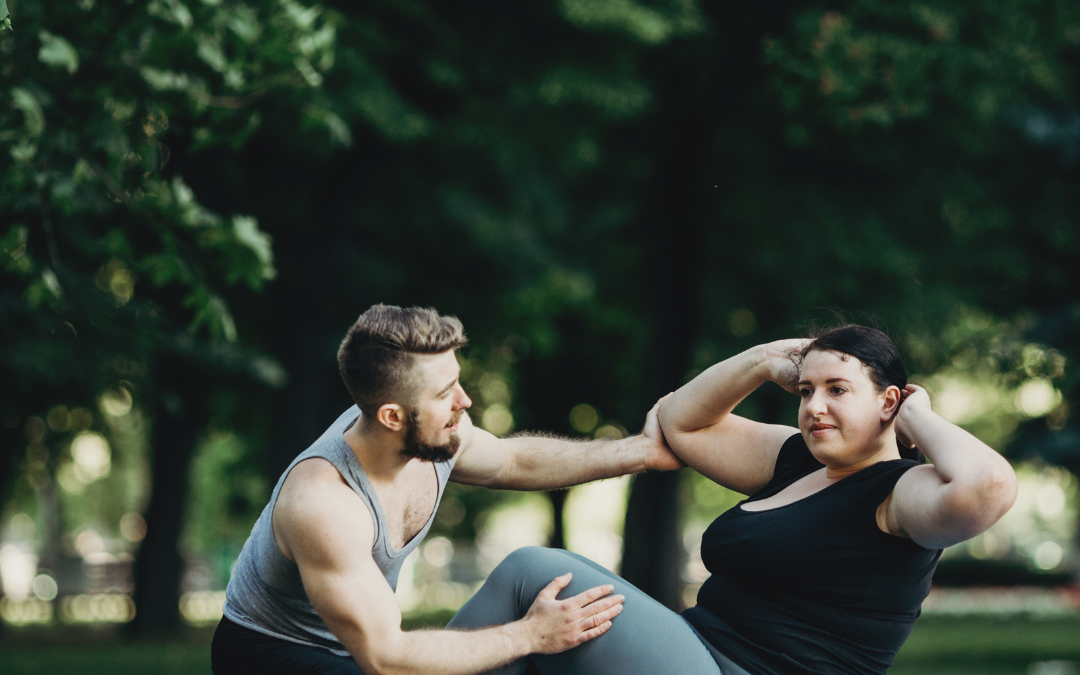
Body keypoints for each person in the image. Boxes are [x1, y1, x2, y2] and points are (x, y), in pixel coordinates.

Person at [446, 324, 1017, 675]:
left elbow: (987, 487)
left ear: (888, 401)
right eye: (806, 391)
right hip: (699, 648)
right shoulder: (797, 458)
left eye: (838, 390)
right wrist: (762, 360)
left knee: (533, 572)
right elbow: (680, 423)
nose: (815, 406)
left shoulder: (899, 491)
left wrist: (918, 414)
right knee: (538, 655)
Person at [211, 304, 683, 675]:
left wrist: (638, 452)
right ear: (392, 416)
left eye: (457, 381)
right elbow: (388, 659)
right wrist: (530, 635)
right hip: (274, 655)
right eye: (444, 394)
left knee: (533, 620)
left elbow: (512, 459)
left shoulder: (436, 430)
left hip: (362, 647)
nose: (465, 402)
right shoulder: (323, 503)